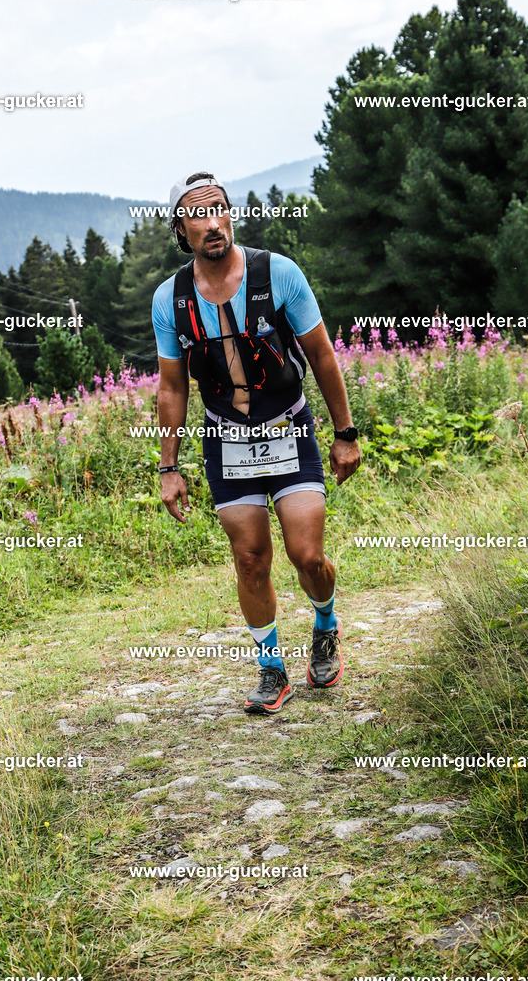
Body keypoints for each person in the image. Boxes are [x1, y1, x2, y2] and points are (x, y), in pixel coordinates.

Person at [151, 172, 361, 714]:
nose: (212, 222)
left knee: (307, 555)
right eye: (198, 213)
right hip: (226, 439)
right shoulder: (170, 299)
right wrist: (168, 467)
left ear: (231, 214)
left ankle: (325, 623)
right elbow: (172, 387)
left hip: (288, 426)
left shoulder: (278, 273)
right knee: (249, 559)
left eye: (219, 209)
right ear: (179, 228)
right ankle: (272, 670)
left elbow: (322, 355)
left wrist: (344, 434)